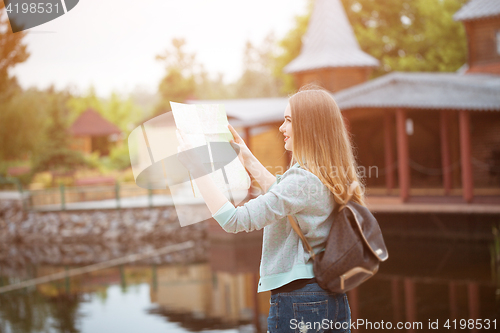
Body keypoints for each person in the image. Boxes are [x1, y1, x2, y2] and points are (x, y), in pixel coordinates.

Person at [176, 86, 365, 333]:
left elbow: (233, 220)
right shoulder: (327, 172)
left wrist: (196, 169)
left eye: (288, 120)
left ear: (308, 126)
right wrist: (249, 160)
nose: (281, 128)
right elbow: (287, 199)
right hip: (329, 297)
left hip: (300, 301)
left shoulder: (303, 179)